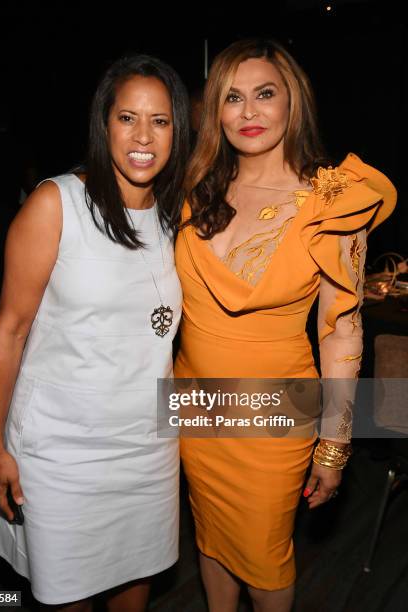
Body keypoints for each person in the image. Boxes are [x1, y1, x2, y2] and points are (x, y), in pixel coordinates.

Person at [175, 38, 396, 612]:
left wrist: (335, 442)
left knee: (265, 559)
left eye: (264, 94)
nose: (248, 112)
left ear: (292, 101)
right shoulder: (193, 189)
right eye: (231, 98)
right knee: (212, 539)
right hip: (192, 402)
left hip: (277, 408)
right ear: (213, 112)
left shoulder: (331, 200)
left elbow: (343, 329)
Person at [0, 54, 190, 611]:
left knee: (134, 592)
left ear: (178, 131)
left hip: (147, 452)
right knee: (66, 595)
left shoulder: (177, 217)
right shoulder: (57, 204)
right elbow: (8, 332)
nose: (143, 136)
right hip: (60, 455)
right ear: (105, 125)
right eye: (128, 118)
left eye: (160, 121)